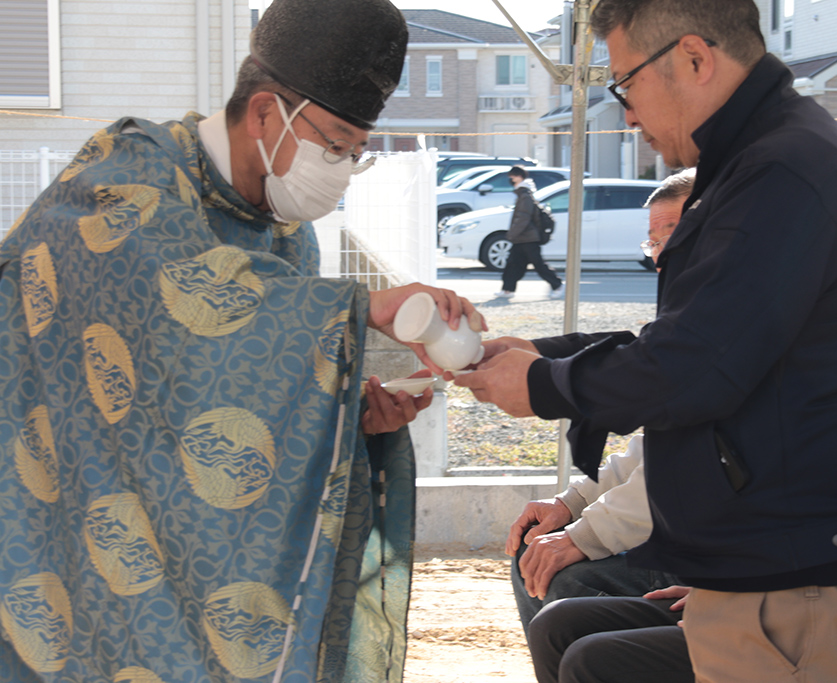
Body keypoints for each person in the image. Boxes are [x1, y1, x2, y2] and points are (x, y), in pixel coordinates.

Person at [0, 0, 483, 679]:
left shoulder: (288, 231)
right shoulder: (123, 178)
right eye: (336, 144)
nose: (342, 169)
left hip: (193, 538)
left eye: (357, 153)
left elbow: (248, 391)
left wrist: (352, 412)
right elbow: (173, 304)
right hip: (72, 517)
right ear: (263, 113)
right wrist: (365, 307)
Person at [456, 0, 837, 680]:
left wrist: (540, 385)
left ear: (694, 58)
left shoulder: (784, 173)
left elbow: (691, 369)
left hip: (807, 590)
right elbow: (689, 340)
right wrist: (544, 355)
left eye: (626, 83)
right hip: (775, 575)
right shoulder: (755, 160)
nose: (625, 112)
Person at [527, 314, 837, 683]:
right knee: (560, 624)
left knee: (592, 654)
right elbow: (668, 451)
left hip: (818, 602)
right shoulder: (771, 338)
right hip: (751, 579)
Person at [508, 171, 694, 637]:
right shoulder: (692, 314)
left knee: (567, 583)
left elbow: (685, 468)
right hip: (702, 543)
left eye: (676, 233)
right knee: (534, 557)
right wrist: (571, 504)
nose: (663, 254)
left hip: (745, 562)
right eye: (654, 241)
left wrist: (581, 536)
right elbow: (658, 449)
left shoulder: (738, 325)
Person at [496, 166, 564, 300]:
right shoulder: (523, 194)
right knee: (514, 264)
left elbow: (523, 217)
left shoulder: (525, 195)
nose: (511, 179)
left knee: (538, 265)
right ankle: (507, 290)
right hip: (522, 238)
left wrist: (511, 234)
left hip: (528, 238)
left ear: (520, 177)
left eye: (513, 176)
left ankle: (557, 285)